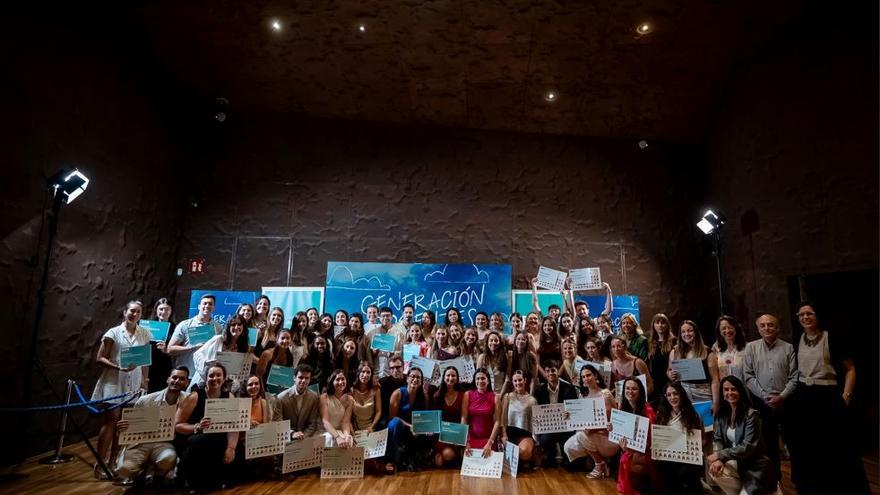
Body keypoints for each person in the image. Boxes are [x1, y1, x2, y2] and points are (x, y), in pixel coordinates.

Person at [786, 302, 870, 495]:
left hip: (828, 397)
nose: (805, 318)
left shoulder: (830, 337)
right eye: (801, 315)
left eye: (809, 314)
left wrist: (846, 396)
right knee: (810, 446)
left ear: (817, 316)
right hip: (805, 397)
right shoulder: (797, 339)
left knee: (836, 447)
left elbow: (850, 369)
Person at [92, 300, 151, 478]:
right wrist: (118, 367)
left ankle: (114, 461)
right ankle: (99, 464)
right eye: (132, 311)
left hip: (133, 384)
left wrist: (144, 381)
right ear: (125, 312)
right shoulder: (113, 332)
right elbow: (99, 357)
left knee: (124, 424)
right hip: (113, 382)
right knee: (111, 421)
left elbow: (145, 361)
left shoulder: (144, 334)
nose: (134, 314)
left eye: (138, 312)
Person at [742, 313, 797, 481]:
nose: (767, 328)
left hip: (786, 402)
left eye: (770, 325)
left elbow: (795, 376)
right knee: (769, 443)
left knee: (793, 441)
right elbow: (748, 376)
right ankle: (775, 477)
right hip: (763, 404)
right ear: (758, 329)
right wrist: (765, 396)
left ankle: (799, 477)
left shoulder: (788, 348)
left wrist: (782, 396)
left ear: (777, 327)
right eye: (763, 325)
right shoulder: (751, 348)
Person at [116, 366, 189, 486]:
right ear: (168, 379)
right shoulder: (145, 400)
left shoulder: (188, 400)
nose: (176, 381)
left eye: (181, 379)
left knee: (167, 459)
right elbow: (130, 427)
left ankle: (158, 475)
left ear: (186, 383)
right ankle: (139, 473)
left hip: (165, 443)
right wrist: (123, 427)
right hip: (140, 443)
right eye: (174, 377)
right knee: (125, 469)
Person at [707, 376, 778, 495]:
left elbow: (747, 447)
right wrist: (718, 459)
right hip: (737, 463)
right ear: (722, 393)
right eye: (726, 389)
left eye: (733, 389)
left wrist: (719, 455)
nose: (730, 392)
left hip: (755, 466)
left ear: (740, 391)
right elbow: (718, 439)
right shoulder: (722, 415)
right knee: (714, 470)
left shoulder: (752, 415)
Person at [174, 364, 239, 491]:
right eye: (211, 376)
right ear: (206, 378)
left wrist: (231, 448)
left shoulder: (230, 397)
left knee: (237, 449)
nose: (215, 378)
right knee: (203, 440)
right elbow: (178, 425)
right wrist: (197, 426)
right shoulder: (195, 396)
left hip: (218, 438)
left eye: (218, 375)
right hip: (194, 437)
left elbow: (234, 426)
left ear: (224, 378)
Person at [563, 364, 618, 479]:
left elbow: (615, 421)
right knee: (568, 447)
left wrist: (595, 428)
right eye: (583, 377)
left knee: (581, 435)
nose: (586, 379)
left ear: (596, 375)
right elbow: (580, 419)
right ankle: (598, 460)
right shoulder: (583, 395)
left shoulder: (605, 394)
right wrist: (570, 416)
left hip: (607, 437)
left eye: (589, 375)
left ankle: (600, 464)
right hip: (590, 434)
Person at [653, 381, 704, 495]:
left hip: (687, 458)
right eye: (669, 395)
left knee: (686, 472)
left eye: (675, 394)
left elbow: (703, 440)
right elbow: (659, 439)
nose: (672, 397)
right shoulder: (661, 415)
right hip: (668, 458)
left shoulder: (692, 415)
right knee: (665, 470)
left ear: (681, 394)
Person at [613, 377, 657, 495]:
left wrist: (631, 448)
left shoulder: (648, 411)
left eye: (634, 389)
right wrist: (612, 429)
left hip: (647, 450)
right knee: (626, 457)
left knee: (631, 460)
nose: (630, 392)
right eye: (627, 388)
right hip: (630, 448)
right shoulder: (623, 407)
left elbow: (651, 439)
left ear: (640, 391)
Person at [167, 294, 223, 386]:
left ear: (214, 307)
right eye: (205, 303)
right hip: (185, 376)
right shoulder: (185, 325)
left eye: (210, 304)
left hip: (206, 377)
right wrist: (193, 347)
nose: (207, 306)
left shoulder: (218, 328)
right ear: (199, 306)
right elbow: (170, 349)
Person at [667, 320, 720, 414]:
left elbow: (715, 380)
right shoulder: (675, 351)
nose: (686, 334)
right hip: (683, 394)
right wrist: (670, 374)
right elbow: (669, 371)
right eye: (683, 332)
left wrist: (716, 402)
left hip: (703, 393)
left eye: (689, 330)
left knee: (706, 426)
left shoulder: (708, 352)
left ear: (695, 332)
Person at [533, 359, 578, 467]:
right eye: (547, 371)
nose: (550, 373)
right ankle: (550, 454)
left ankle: (565, 457)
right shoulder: (539, 391)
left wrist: (570, 414)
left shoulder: (569, 388)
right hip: (549, 426)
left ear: (558, 371)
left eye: (553, 370)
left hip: (566, 425)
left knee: (569, 464)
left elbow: (575, 409)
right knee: (545, 440)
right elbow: (537, 412)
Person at [386, 366, 430, 473]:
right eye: (413, 376)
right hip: (401, 426)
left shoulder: (424, 396)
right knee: (394, 423)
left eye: (418, 378)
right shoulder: (398, 393)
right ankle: (391, 460)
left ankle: (417, 459)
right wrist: (410, 426)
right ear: (407, 378)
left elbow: (425, 417)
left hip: (416, 428)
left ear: (421, 381)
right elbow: (392, 416)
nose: (415, 380)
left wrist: (424, 428)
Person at [192, 315, 250, 389]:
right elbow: (197, 354)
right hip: (207, 382)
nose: (236, 327)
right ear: (228, 327)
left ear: (243, 328)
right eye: (233, 325)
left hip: (227, 387)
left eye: (239, 324)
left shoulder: (243, 347)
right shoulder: (218, 339)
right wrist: (206, 363)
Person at [273, 364, 323, 439]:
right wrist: (292, 434)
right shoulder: (281, 397)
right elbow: (278, 422)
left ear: (310, 380)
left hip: (305, 438)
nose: (303, 381)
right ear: (294, 378)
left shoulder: (314, 397)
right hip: (286, 438)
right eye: (300, 377)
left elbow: (312, 423)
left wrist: (303, 436)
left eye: (307, 378)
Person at [500, 370, 538, 468]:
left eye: (520, 380)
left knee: (524, 452)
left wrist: (536, 441)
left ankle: (521, 460)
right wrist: (503, 435)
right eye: (515, 381)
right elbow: (503, 418)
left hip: (524, 435)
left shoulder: (532, 400)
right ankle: (518, 463)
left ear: (525, 380)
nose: (518, 383)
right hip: (509, 434)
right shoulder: (507, 397)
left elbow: (535, 422)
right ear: (512, 382)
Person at [463, 368, 500, 458]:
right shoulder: (468, 394)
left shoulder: (495, 397)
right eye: (477, 378)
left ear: (488, 381)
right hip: (470, 439)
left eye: (483, 378)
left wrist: (490, 442)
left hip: (488, 440)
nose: (480, 381)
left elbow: (497, 422)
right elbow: (463, 418)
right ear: (474, 381)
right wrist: (465, 441)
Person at [432, 366, 464, 467]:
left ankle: (457, 456)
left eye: (453, 375)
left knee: (447, 455)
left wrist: (460, 438)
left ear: (457, 378)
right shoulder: (437, 395)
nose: (450, 378)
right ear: (443, 377)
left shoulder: (463, 395)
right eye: (448, 375)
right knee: (439, 463)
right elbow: (435, 418)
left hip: (457, 433)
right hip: (443, 434)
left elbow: (464, 417)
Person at [364, 307, 403, 378]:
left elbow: (403, 352)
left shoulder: (399, 334)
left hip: (392, 372)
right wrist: (373, 352)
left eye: (388, 316)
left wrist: (394, 353)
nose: (385, 318)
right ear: (379, 317)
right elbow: (366, 353)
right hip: (375, 371)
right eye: (383, 316)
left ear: (392, 317)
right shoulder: (372, 333)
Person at [146, 298, 175, 393]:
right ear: (156, 310)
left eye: (167, 309)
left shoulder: (175, 328)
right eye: (161, 309)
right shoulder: (147, 326)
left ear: (171, 311)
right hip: (148, 365)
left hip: (165, 365)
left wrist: (166, 349)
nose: (164, 312)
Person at [320, 369, 355, 448]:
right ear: (332, 381)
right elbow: (325, 421)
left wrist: (347, 436)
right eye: (337, 379)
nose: (340, 382)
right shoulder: (324, 397)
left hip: (340, 431)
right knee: (330, 439)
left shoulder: (350, 399)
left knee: (349, 442)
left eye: (343, 379)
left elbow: (346, 422)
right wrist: (337, 437)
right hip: (325, 431)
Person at [646, 313, 675, 404]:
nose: (660, 325)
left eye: (663, 323)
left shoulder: (674, 341)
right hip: (655, 383)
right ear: (653, 325)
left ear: (667, 325)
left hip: (669, 381)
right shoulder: (650, 342)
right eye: (657, 323)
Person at [712, 315, 747, 382]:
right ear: (719, 331)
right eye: (723, 328)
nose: (727, 331)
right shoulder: (716, 348)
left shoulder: (747, 347)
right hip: (725, 390)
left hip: (743, 389)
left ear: (736, 328)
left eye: (730, 327)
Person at [351, 363, 381, 432]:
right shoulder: (352, 391)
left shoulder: (376, 390)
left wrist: (372, 426)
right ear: (358, 373)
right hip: (355, 428)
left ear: (371, 375)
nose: (365, 375)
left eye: (368, 372)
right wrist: (354, 428)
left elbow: (378, 411)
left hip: (371, 427)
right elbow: (350, 415)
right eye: (362, 371)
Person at [378, 356, 407, 428]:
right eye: (392, 368)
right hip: (388, 416)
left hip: (405, 414)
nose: (395, 370)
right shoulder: (383, 382)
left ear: (403, 367)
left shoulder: (409, 380)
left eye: (398, 367)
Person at [537, 316, 563, 381]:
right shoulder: (539, 341)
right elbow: (537, 363)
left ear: (554, 327)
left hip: (558, 372)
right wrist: (544, 374)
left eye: (549, 325)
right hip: (543, 373)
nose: (547, 327)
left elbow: (564, 360)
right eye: (545, 325)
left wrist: (558, 373)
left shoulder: (560, 341)